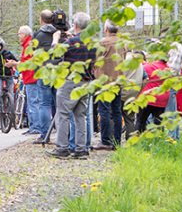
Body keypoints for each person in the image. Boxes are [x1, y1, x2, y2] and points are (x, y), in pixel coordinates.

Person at [47, 12, 96, 160]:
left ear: (75, 25)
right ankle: (80, 149)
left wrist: (55, 40)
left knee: (63, 114)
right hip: (86, 82)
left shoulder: (70, 43)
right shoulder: (93, 43)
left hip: (69, 82)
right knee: (81, 116)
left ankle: (62, 148)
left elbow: (54, 54)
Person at [92, 20, 128, 150]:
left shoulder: (102, 43)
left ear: (106, 29)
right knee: (117, 111)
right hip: (118, 80)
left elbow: (95, 61)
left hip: (104, 81)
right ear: (117, 30)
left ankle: (105, 140)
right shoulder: (122, 43)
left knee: (104, 110)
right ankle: (117, 141)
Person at [31, 10, 61, 145]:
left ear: (41, 20)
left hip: (43, 72)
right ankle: (61, 134)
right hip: (58, 72)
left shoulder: (37, 36)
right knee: (59, 103)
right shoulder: (60, 34)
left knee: (44, 104)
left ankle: (45, 135)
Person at [12, 25, 42, 136]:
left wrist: (14, 64)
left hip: (31, 77)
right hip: (30, 77)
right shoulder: (29, 44)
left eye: (19, 34)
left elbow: (26, 62)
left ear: (24, 34)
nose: (18, 36)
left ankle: (36, 127)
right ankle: (34, 126)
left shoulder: (29, 45)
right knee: (32, 102)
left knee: (33, 102)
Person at [137, 54, 171, 133]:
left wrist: (143, 62)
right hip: (162, 100)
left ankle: (138, 140)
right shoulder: (167, 68)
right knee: (159, 122)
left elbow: (143, 69)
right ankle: (158, 141)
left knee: (141, 121)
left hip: (149, 98)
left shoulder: (153, 67)